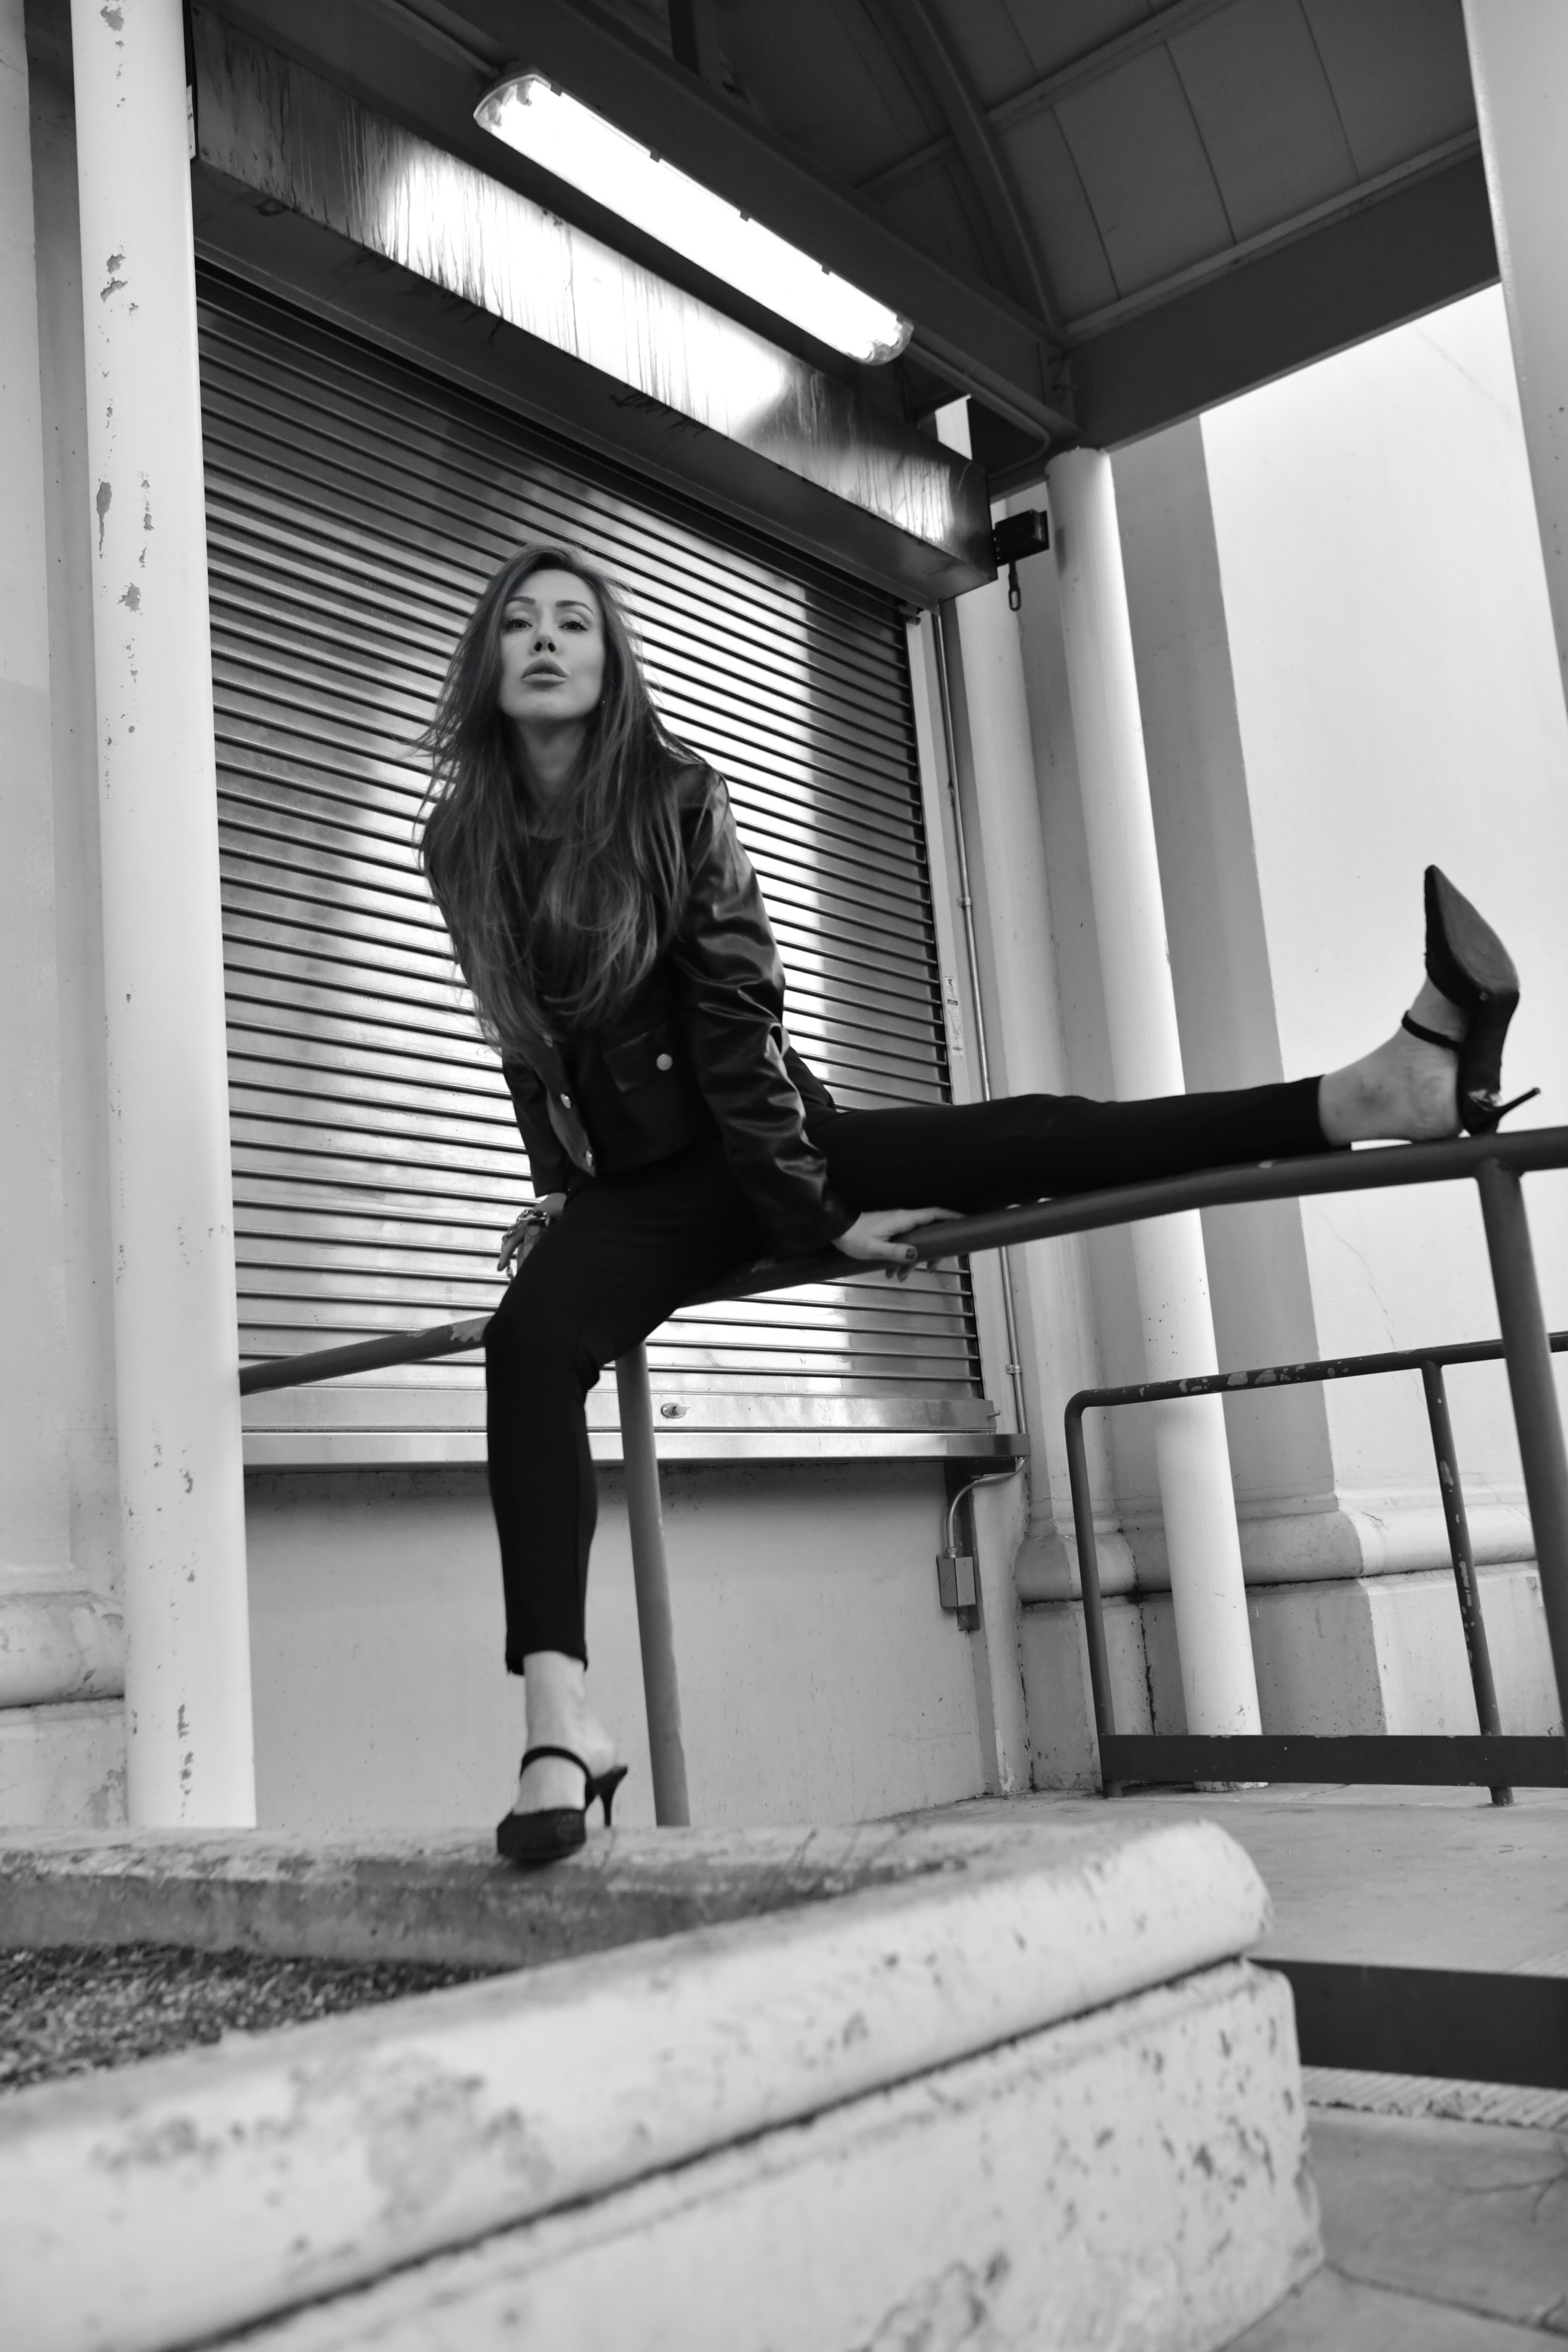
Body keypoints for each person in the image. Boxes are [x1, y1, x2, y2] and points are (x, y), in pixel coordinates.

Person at [419, 541, 1533, 1866]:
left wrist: (811, 1214)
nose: (548, 640)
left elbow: (736, 1028)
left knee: (1035, 1137)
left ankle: (1375, 1092)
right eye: (522, 623)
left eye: (577, 623)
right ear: (488, 661)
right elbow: (527, 1044)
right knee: (527, 1345)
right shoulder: (464, 841)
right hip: (638, 1196)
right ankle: (560, 1725)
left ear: (612, 669)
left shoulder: (673, 798)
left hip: (760, 1143)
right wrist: (559, 1192)